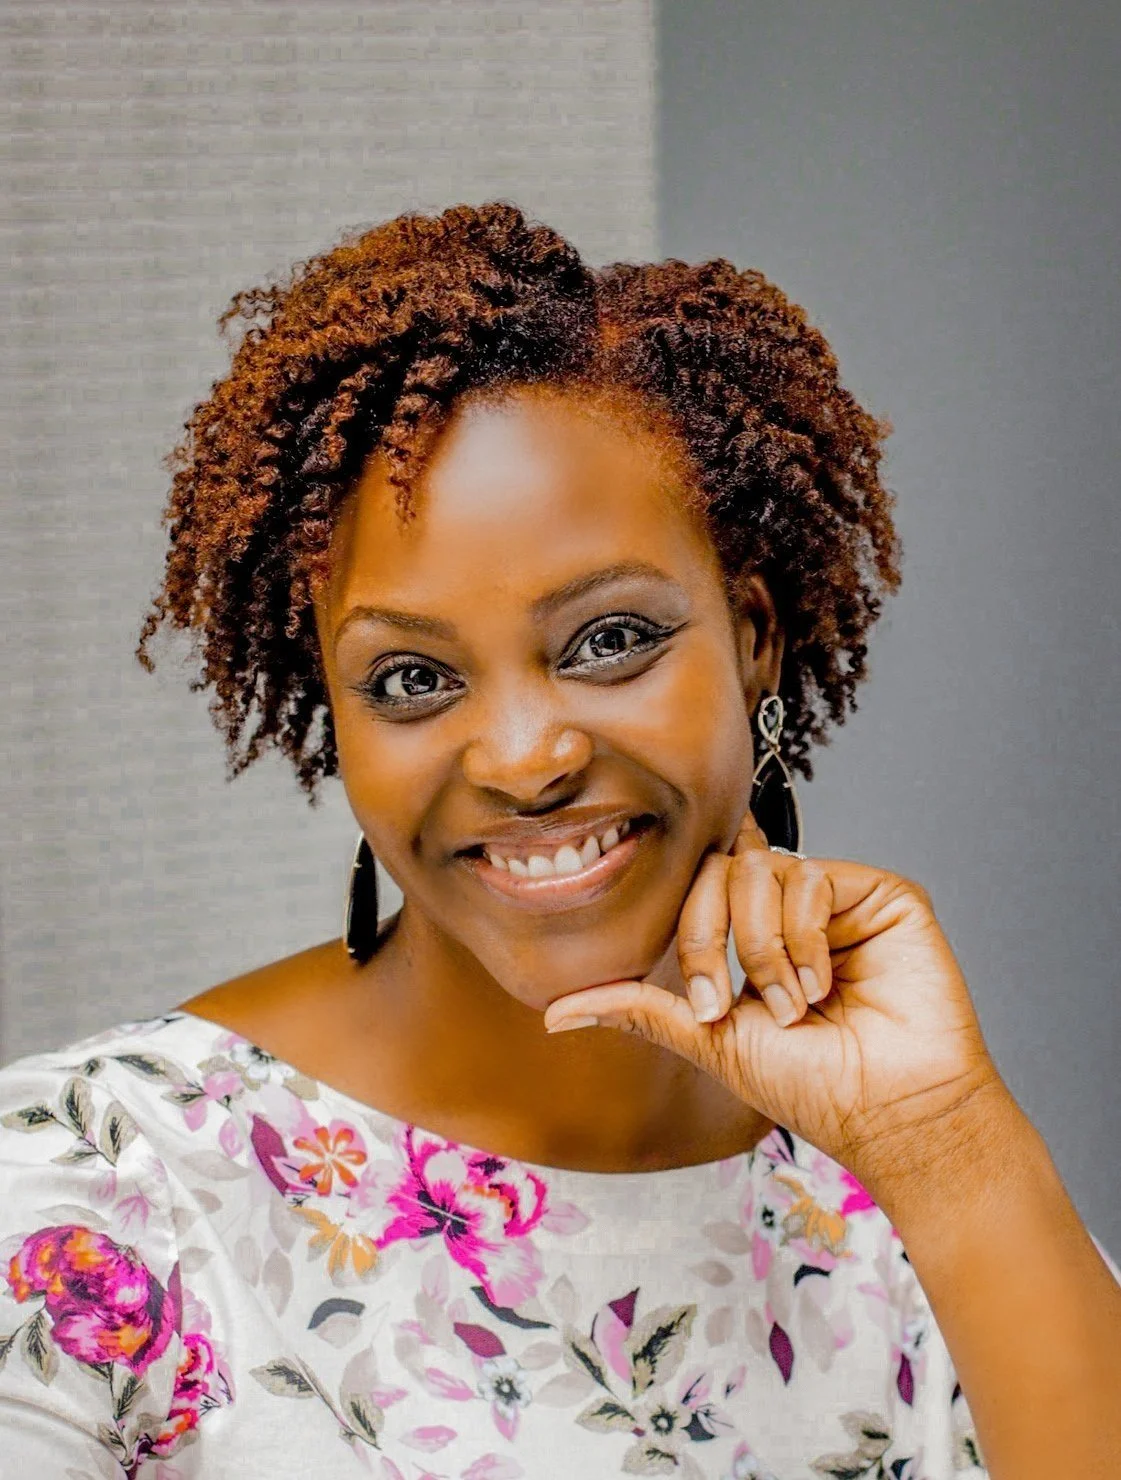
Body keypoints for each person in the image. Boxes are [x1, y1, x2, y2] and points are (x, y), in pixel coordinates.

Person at [0, 202, 1117, 1480]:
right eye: (412, 678)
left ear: (751, 636)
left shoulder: (922, 1196)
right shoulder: (87, 1203)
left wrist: (944, 1144)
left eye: (607, 640)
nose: (523, 758)